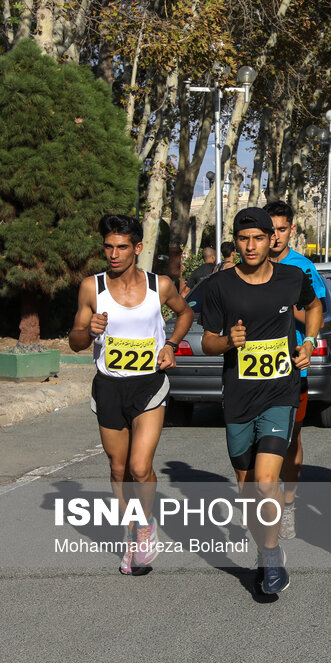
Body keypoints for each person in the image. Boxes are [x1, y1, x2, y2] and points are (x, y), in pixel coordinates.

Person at [200, 207, 323, 595]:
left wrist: (307, 341)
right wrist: (227, 342)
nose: (250, 246)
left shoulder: (292, 277)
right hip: (238, 396)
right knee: (248, 491)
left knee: (267, 482)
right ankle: (264, 548)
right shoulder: (219, 286)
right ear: (235, 242)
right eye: (243, 239)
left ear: (272, 239)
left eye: (258, 238)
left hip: (279, 393)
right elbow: (207, 342)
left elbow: (315, 307)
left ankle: (270, 559)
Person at [68, 214, 194, 574]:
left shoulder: (161, 285)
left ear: (137, 248)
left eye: (122, 247)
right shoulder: (92, 288)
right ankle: (131, 535)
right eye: (108, 246)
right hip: (109, 386)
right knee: (119, 467)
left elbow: (185, 314)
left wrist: (170, 344)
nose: (114, 253)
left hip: (149, 385)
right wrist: (89, 331)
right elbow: (75, 340)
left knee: (140, 467)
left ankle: (145, 528)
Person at [265, 200, 327, 540]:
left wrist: (289, 309)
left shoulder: (302, 268)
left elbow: (317, 313)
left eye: (282, 229)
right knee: (257, 441)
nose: (275, 237)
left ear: (292, 231)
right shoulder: (249, 265)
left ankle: (287, 504)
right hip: (254, 369)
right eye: (269, 229)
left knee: (290, 440)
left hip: (291, 368)